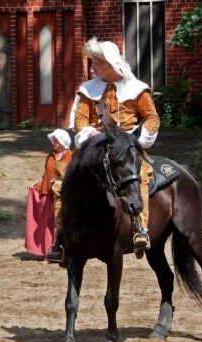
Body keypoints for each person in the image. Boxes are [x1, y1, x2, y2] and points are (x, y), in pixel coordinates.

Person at [70, 37, 160, 253]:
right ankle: (65, 233)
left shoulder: (137, 89)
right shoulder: (87, 90)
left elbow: (151, 118)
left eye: (96, 63)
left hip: (126, 145)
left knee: (142, 174)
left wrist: (138, 139)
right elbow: (80, 119)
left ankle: (140, 227)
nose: (91, 67)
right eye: (91, 62)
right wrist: (89, 134)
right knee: (69, 177)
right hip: (96, 145)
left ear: (110, 64)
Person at [24, 129, 73, 264]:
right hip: (48, 194)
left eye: (56, 140)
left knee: (59, 225)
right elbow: (46, 173)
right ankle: (48, 253)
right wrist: (38, 182)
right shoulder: (50, 156)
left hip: (61, 195)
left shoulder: (70, 156)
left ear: (63, 141)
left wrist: (58, 183)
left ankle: (60, 252)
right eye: (53, 140)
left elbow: (70, 176)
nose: (53, 142)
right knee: (47, 226)